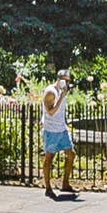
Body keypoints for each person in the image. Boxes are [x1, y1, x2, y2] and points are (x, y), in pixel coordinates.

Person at [40, 68, 76, 198]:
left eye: (68, 81)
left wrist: (63, 94)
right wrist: (61, 96)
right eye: (65, 81)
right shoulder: (51, 92)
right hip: (51, 130)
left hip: (62, 128)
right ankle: (48, 187)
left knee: (71, 154)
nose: (67, 83)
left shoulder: (62, 91)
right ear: (59, 79)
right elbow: (50, 111)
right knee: (49, 158)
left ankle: (65, 183)